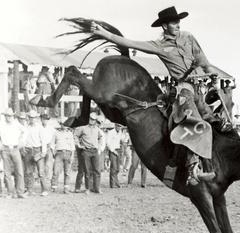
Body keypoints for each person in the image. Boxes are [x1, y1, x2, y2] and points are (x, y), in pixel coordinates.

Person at [91, 6, 226, 185]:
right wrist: (104, 33)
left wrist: (212, 75)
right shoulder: (159, 45)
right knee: (194, 123)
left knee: (218, 121)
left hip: (199, 89)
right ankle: (193, 168)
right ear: (164, 26)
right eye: (173, 22)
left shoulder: (188, 37)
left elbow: (204, 62)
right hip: (183, 90)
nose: (177, 24)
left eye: (178, 21)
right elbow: (129, 43)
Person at [0, 109, 27, 198]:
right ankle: (10, 193)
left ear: (13, 116)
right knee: (7, 172)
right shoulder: (1, 126)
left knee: (19, 171)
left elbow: (25, 131)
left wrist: (22, 142)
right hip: (5, 149)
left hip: (15, 149)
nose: (9, 117)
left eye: (11, 116)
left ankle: (20, 192)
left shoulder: (17, 125)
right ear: (5, 116)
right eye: (7, 116)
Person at [74, 112, 105, 194]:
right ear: (89, 119)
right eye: (91, 119)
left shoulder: (97, 129)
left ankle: (97, 188)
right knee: (87, 171)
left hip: (94, 151)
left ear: (95, 121)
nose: (92, 121)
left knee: (97, 170)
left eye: (94, 119)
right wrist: (79, 145)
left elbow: (101, 137)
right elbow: (76, 135)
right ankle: (87, 188)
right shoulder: (83, 128)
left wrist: (99, 146)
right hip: (86, 151)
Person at [22, 110, 49, 196]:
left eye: (33, 117)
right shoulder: (26, 127)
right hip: (28, 150)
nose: (32, 119)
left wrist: (43, 151)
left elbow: (43, 140)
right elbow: (23, 139)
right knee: (29, 171)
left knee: (41, 171)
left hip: (38, 150)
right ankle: (29, 190)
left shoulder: (40, 127)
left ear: (36, 118)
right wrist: (23, 147)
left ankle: (44, 190)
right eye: (30, 117)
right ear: (28, 118)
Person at [51, 119, 75, 193]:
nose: (63, 126)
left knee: (67, 172)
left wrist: (72, 156)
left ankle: (66, 188)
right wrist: (53, 153)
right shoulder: (56, 133)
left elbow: (72, 146)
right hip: (59, 153)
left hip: (68, 152)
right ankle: (54, 187)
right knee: (56, 171)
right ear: (60, 124)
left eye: (65, 124)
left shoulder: (70, 133)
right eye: (62, 124)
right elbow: (52, 144)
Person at [106, 123, 125, 188]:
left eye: (120, 126)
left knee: (117, 168)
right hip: (113, 151)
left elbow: (123, 140)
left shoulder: (120, 132)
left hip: (118, 150)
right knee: (113, 167)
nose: (119, 127)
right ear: (115, 125)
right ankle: (112, 184)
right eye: (118, 126)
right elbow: (108, 143)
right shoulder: (110, 132)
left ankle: (116, 182)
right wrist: (113, 150)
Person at [40, 114, 55, 184]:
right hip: (40, 147)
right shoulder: (39, 127)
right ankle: (40, 178)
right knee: (40, 164)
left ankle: (48, 179)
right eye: (44, 119)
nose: (45, 121)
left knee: (48, 164)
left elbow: (53, 138)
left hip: (48, 147)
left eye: (47, 119)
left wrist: (51, 146)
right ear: (41, 119)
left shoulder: (51, 128)